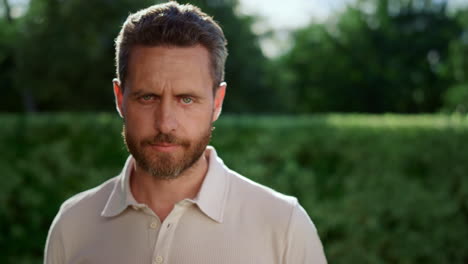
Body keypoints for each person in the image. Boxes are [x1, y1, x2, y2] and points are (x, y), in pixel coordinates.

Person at [44, 2, 327, 263]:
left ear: (217, 102)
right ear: (120, 98)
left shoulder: (284, 226)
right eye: (148, 97)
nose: (166, 124)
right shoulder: (73, 225)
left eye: (186, 99)